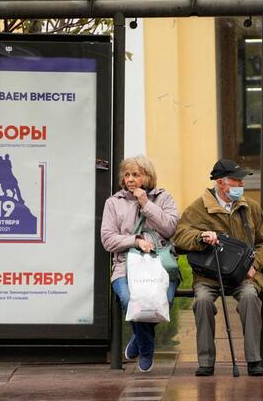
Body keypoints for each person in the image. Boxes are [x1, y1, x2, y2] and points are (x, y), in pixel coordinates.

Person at [173, 159, 263, 377]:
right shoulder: (198, 208)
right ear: (220, 183)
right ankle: (206, 362)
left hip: (243, 276)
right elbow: (180, 236)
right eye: (236, 181)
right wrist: (200, 236)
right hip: (209, 276)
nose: (241, 185)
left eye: (241, 181)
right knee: (202, 301)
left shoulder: (251, 207)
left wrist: (254, 265)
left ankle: (254, 360)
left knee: (250, 297)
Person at [101, 155, 179, 373]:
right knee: (130, 300)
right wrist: (135, 241)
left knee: (162, 302)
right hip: (125, 266)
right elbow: (107, 239)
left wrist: (145, 203)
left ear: (148, 176)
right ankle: (146, 349)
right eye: (127, 175)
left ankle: (137, 340)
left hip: (161, 265)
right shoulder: (113, 202)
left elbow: (170, 228)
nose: (130, 179)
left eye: (136, 174)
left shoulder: (164, 198)